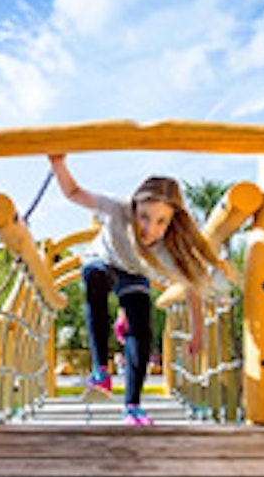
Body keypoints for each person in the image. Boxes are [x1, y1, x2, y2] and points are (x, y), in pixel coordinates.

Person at [49, 153, 231, 425]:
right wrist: (58, 163)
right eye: (144, 216)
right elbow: (74, 193)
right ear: (133, 206)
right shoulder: (115, 209)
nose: (150, 229)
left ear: (171, 222)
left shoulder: (168, 248)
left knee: (141, 327)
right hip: (104, 260)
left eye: (161, 222)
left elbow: (191, 286)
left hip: (134, 273)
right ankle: (101, 371)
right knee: (94, 277)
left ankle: (132, 407)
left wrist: (198, 330)